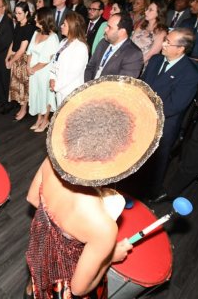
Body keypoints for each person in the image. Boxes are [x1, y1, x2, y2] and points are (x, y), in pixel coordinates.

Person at [26, 77, 164, 299]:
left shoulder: (51, 163)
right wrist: (111, 255)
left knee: (35, 286)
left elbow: (33, 198)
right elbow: (79, 288)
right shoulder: (103, 227)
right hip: (62, 283)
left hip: (40, 252)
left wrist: (57, 234)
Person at [138, 28, 198, 199]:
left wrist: (148, 110)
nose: (163, 44)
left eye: (168, 42)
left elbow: (175, 105)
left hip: (163, 124)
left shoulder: (190, 74)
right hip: (141, 115)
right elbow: (143, 85)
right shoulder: (157, 60)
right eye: (164, 39)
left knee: (154, 166)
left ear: (180, 49)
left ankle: (147, 196)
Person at [84, 12, 144, 81]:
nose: (105, 29)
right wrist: (88, 86)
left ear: (122, 32)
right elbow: (90, 67)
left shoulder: (133, 54)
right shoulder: (103, 43)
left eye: (109, 27)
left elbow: (122, 85)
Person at [27, 7, 59, 132]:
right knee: (36, 94)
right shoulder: (36, 33)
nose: (35, 18)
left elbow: (46, 60)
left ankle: (46, 120)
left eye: (37, 17)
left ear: (44, 19)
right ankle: (39, 118)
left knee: (46, 95)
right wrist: (28, 66)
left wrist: (32, 69)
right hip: (33, 71)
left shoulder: (53, 37)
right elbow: (29, 51)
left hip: (44, 72)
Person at [50, 12, 88, 107]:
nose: (61, 26)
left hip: (71, 91)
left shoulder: (81, 47)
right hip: (60, 89)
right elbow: (54, 61)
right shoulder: (63, 42)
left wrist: (57, 85)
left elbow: (73, 73)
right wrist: (52, 78)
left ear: (72, 27)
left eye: (64, 24)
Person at [5, 2, 36, 121]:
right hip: (16, 58)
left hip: (23, 60)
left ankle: (24, 110)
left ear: (27, 13)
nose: (16, 15)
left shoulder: (29, 27)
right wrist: (7, 56)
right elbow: (14, 42)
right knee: (17, 87)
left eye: (19, 13)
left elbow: (23, 49)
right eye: (15, 13)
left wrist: (11, 60)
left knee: (23, 87)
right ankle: (21, 108)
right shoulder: (18, 25)